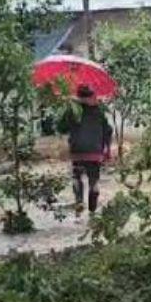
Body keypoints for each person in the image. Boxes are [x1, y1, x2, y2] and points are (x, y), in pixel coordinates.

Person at [58, 84, 113, 215]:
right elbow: (108, 131)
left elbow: (61, 128)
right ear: (91, 96)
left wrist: (67, 110)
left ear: (78, 96)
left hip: (77, 150)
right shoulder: (99, 110)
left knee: (77, 177)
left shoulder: (72, 110)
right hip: (95, 152)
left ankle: (79, 202)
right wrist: (107, 149)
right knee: (94, 181)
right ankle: (92, 212)